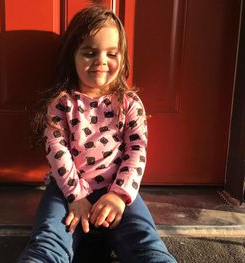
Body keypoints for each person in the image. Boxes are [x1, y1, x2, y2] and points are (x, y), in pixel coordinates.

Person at [19, 6, 177, 263]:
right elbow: (56, 150)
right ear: (73, 56)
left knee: (146, 243)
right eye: (90, 52)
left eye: (111, 53)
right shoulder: (61, 104)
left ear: (123, 58)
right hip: (66, 191)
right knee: (48, 243)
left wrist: (119, 196)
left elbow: (136, 152)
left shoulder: (129, 104)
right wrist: (76, 196)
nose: (101, 61)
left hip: (118, 189)